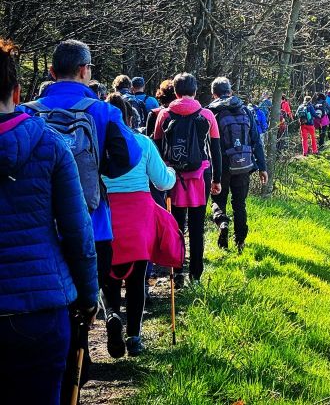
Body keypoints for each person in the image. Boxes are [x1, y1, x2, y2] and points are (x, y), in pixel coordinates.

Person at [20, 39, 142, 398]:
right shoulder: (103, 112)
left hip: (40, 226)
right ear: (86, 71)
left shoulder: (27, 113)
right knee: (84, 304)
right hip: (94, 224)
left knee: (46, 302)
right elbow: (129, 159)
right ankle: (79, 362)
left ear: (51, 71)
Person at [0, 39, 98, 405]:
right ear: (17, 90)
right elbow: (77, 234)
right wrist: (88, 300)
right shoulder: (49, 144)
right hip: (40, 311)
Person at [102, 93, 176, 357]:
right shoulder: (142, 143)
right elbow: (163, 183)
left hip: (107, 213)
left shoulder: (98, 145)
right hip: (139, 216)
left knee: (107, 275)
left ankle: (111, 314)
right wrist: (172, 173)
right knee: (136, 279)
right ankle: (133, 337)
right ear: (130, 117)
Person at [152, 72, 222, 285]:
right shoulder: (207, 115)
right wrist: (217, 180)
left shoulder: (164, 114)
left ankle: (177, 273)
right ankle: (196, 275)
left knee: (176, 226)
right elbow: (216, 150)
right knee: (197, 226)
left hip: (174, 178)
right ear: (195, 91)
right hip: (200, 177)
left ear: (175, 91)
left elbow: (156, 146)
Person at [208, 78, 268, 253]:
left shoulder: (211, 112)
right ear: (230, 92)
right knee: (239, 203)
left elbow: (208, 144)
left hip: (221, 165)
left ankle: (222, 222)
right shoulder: (246, 111)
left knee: (218, 200)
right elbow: (256, 141)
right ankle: (240, 242)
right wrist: (262, 167)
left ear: (214, 94)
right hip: (244, 165)